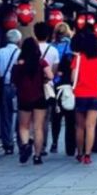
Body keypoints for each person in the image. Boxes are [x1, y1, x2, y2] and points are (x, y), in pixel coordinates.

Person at [12, 38, 54, 164]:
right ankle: (37, 156)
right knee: (38, 127)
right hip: (40, 96)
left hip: (24, 97)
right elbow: (51, 76)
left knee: (23, 126)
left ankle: (25, 145)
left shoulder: (19, 64)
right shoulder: (42, 63)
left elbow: (14, 80)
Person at [71, 32, 97, 165]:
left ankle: (80, 153)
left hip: (80, 94)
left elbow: (72, 78)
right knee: (91, 126)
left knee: (80, 126)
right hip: (95, 94)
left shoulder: (78, 58)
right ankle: (88, 155)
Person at [50, 23, 75, 155]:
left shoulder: (51, 46)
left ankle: (54, 142)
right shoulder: (71, 46)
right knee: (70, 115)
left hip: (54, 83)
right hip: (67, 84)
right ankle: (70, 146)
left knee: (56, 115)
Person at [35, 23, 59, 155]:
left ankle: (28, 142)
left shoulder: (29, 49)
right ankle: (42, 146)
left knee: (29, 118)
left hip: (31, 86)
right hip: (47, 87)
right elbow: (54, 71)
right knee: (44, 117)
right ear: (48, 34)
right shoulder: (53, 50)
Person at [0, 29, 22, 155]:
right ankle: (20, 141)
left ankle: (8, 144)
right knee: (19, 114)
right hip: (17, 87)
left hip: (4, 86)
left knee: (5, 114)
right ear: (18, 40)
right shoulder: (21, 53)